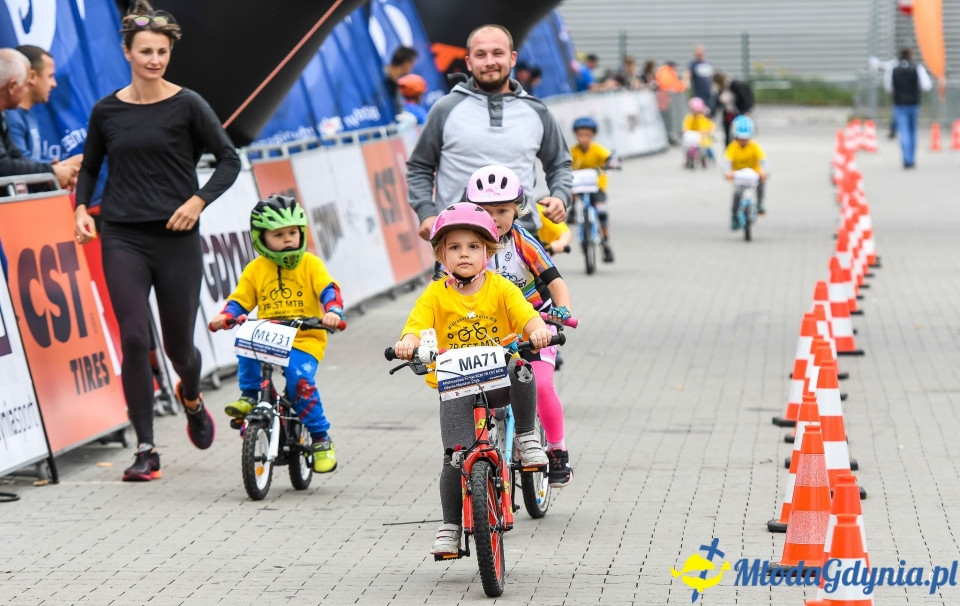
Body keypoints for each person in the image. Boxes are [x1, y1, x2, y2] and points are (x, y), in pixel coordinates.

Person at [73, 1, 241, 482]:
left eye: (162, 52)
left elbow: (228, 159)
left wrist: (197, 201)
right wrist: (83, 208)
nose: (154, 59)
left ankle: (190, 395)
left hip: (176, 237)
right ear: (127, 51)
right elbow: (89, 167)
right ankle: (146, 448)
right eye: (145, 51)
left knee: (178, 347)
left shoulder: (188, 104)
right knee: (132, 338)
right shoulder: (106, 110)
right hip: (122, 234)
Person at [391, 202, 552, 555]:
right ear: (441, 255)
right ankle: (450, 524)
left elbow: (528, 317)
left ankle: (525, 438)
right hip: (457, 387)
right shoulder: (435, 294)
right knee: (453, 457)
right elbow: (416, 327)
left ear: (489, 251)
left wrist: (538, 330)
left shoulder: (502, 288)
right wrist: (408, 343)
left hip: (497, 381)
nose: (464, 254)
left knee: (522, 369)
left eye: (473, 247)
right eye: (454, 248)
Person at [208, 196, 344, 473]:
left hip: (303, 339)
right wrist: (225, 316)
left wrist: (332, 311)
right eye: (279, 235)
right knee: (247, 344)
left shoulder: (310, 264)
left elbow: (329, 289)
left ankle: (320, 438)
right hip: (269, 336)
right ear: (261, 238)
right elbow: (240, 301)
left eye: (293, 233)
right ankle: (248, 396)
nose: (288, 240)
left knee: (300, 382)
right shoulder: (255, 269)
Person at [406, 24, 571, 244]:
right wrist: (426, 213)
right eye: (480, 55)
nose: (490, 62)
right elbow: (419, 166)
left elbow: (560, 163)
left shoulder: (537, 111)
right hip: (460, 244)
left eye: (497, 53)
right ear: (468, 62)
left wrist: (560, 196)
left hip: (524, 241)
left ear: (512, 58)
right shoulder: (445, 109)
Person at [465, 164, 575, 486]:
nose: (495, 218)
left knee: (540, 385)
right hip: (489, 329)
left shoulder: (522, 242)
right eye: (485, 211)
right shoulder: (465, 246)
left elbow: (555, 282)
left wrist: (563, 311)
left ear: (517, 209)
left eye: (502, 210)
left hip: (536, 324)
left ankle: (556, 449)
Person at [0, 48, 76, 189]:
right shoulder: (12, 116)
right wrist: (53, 171)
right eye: (25, 84)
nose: (27, 89)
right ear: (12, 86)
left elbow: (15, 157)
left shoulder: (3, 115)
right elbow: (4, 166)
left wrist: (56, 169)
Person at [570, 116, 616, 262]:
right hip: (579, 186)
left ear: (592, 136)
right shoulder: (573, 152)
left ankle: (606, 241)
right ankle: (571, 212)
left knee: (601, 211)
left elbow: (609, 157)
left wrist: (613, 162)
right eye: (580, 135)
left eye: (587, 135)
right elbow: (564, 162)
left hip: (596, 187)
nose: (583, 138)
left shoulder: (597, 150)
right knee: (569, 195)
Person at [884, 47, 932, 169]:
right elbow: (926, 86)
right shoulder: (917, 68)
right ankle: (911, 158)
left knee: (903, 131)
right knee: (912, 131)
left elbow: (888, 87)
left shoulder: (893, 69)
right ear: (911, 55)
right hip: (914, 103)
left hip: (899, 103)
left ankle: (906, 159)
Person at [724, 115, 767, 228]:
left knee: (761, 184)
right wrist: (728, 172)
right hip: (739, 175)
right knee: (737, 194)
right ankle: (734, 217)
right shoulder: (732, 147)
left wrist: (764, 171)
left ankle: (759, 204)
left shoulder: (754, 146)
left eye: (746, 138)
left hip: (753, 174)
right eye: (740, 138)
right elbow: (727, 162)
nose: (743, 140)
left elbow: (763, 160)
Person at [714, 73, 755, 147]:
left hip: (738, 113)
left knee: (738, 133)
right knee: (727, 133)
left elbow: (744, 98)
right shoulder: (720, 90)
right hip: (727, 113)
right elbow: (718, 103)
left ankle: (739, 151)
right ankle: (729, 153)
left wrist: (746, 111)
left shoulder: (734, 85)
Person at [384, 46, 418, 117]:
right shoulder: (380, 77)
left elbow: (400, 109)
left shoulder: (396, 85)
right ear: (406, 64)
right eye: (412, 64)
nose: (412, 69)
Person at [682, 97, 715, 167]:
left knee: (703, 149)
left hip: (700, 138)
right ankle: (688, 160)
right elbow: (686, 127)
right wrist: (686, 131)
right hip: (692, 137)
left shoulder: (702, 118)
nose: (697, 113)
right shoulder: (689, 117)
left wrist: (705, 131)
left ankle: (704, 160)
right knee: (687, 148)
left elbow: (705, 126)